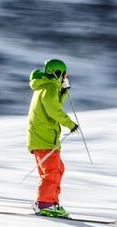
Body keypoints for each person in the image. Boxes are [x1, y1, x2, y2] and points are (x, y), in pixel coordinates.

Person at [27, 58, 78, 218]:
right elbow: (54, 111)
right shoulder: (48, 89)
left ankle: (52, 202)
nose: (65, 77)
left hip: (43, 138)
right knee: (52, 172)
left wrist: (63, 92)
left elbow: (54, 105)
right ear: (58, 73)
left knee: (58, 169)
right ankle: (45, 204)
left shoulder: (46, 87)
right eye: (63, 74)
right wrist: (70, 124)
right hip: (44, 138)